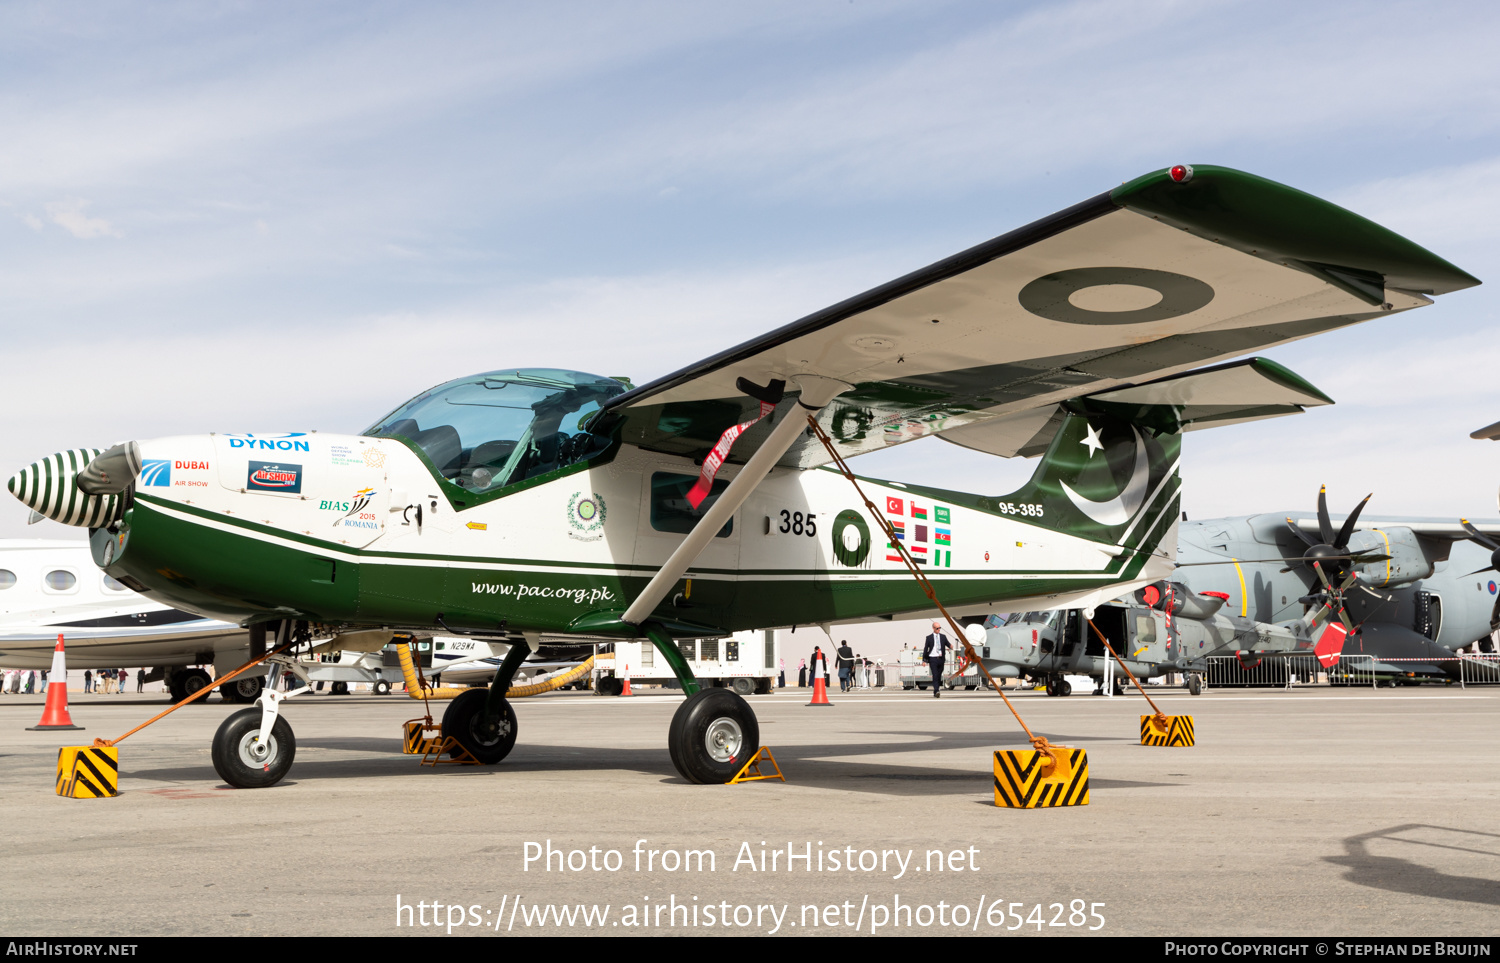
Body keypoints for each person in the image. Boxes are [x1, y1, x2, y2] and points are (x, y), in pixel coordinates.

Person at [922, 621, 952, 698]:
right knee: (935, 675)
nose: (939, 629)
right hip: (933, 659)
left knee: (938, 675)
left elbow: (947, 644)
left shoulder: (943, 637)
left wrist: (951, 646)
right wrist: (924, 660)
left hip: (941, 659)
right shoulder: (929, 638)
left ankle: (936, 690)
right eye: (937, 628)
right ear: (933, 628)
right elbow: (926, 649)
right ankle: (936, 691)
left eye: (939, 628)